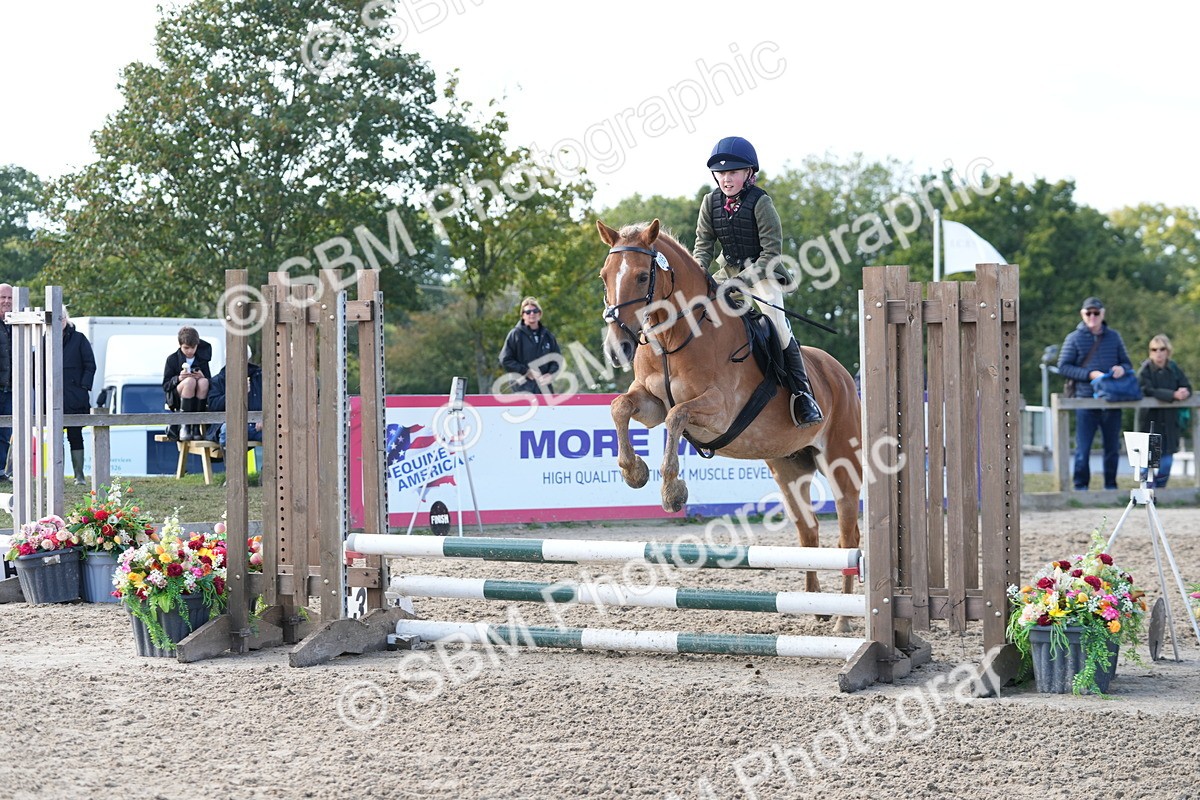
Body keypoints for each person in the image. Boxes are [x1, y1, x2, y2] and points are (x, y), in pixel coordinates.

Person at [691, 136, 821, 427]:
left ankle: (802, 394)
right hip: (727, 273)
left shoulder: (761, 203)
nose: (727, 179)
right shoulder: (710, 203)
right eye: (722, 173)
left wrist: (740, 283)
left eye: (733, 172)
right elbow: (703, 245)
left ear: (749, 173)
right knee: (697, 311)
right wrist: (699, 270)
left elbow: (771, 253)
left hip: (763, 274)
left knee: (777, 325)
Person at [1056, 296, 1133, 491]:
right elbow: (1063, 367)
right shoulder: (1073, 338)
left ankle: (1110, 486)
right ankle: (1080, 487)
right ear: (1082, 314)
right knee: (1083, 449)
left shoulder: (1114, 337)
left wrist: (1121, 369)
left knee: (1112, 448)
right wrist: (1089, 374)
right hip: (1085, 399)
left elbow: (1127, 363)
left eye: (1096, 313)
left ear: (1102, 314)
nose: (1092, 316)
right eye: (1088, 313)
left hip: (1111, 399)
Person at [1136, 334, 1192, 488]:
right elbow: (1145, 389)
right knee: (1146, 463)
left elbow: (1187, 386)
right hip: (1149, 422)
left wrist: (1185, 392)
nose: (1158, 353)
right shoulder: (1145, 369)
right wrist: (1172, 395)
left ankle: (1160, 493)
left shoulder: (1174, 368)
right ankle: (1145, 494)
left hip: (1169, 423)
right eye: (1154, 349)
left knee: (1166, 463)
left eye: (1162, 349)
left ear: (1168, 351)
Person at [61, 308, 97, 486]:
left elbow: (90, 364)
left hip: (76, 395)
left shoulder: (79, 338)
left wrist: (83, 386)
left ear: (66, 318)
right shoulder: (44, 339)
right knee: (54, 437)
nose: (59, 320)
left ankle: (79, 476)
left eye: (62, 317)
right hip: (53, 396)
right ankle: (56, 475)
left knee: (75, 435)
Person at [499, 296, 561, 394]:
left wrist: (550, 374)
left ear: (540, 314)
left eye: (535, 311)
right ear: (523, 315)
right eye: (528, 312)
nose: (532, 314)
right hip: (521, 387)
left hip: (544, 389)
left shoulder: (548, 335)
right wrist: (526, 371)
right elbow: (505, 359)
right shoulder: (515, 334)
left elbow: (557, 359)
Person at [162, 326, 212, 442]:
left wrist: (203, 376)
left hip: (198, 395)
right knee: (189, 382)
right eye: (186, 348)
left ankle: (196, 427)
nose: (190, 351)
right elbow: (166, 385)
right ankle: (185, 426)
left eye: (193, 348)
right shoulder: (172, 359)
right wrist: (178, 378)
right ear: (180, 345)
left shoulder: (202, 358)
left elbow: (210, 381)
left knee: (204, 382)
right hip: (178, 397)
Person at [206, 357, 263, 448]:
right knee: (228, 429)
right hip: (229, 425)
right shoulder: (219, 380)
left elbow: (272, 403)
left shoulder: (259, 377)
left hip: (257, 426)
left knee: (278, 432)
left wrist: (264, 418)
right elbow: (214, 406)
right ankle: (231, 461)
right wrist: (236, 393)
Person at [0, 283, 12, 482]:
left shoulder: (17, 324)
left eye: (10, 298)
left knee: (6, 431)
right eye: (3, 297)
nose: (6, 302)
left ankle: (1, 471)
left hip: (11, 387)